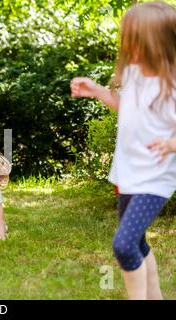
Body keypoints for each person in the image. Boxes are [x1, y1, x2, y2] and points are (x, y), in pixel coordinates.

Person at [70, 1, 175, 300]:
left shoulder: (172, 85)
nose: (126, 45)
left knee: (125, 245)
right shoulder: (134, 74)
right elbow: (127, 109)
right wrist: (99, 91)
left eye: (133, 38)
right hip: (128, 173)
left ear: (158, 42)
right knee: (138, 243)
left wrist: (171, 143)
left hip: (155, 178)